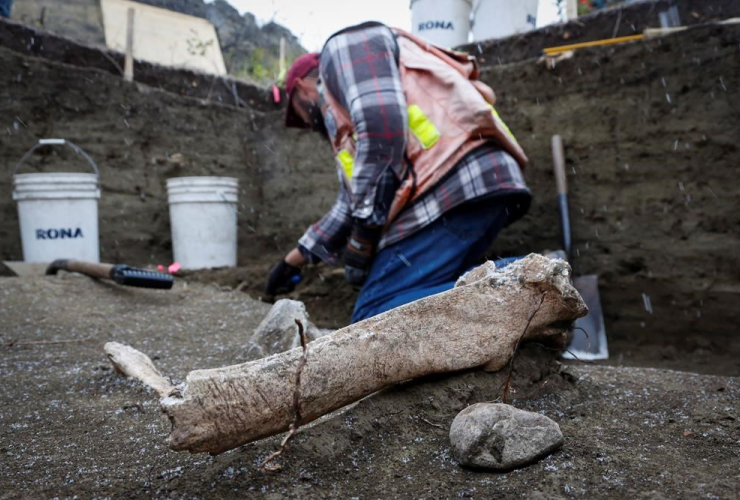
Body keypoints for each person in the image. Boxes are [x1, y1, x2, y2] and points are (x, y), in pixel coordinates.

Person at [265, 22, 531, 323]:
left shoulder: (343, 48)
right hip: (465, 185)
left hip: (450, 185)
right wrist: (292, 262)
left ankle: (533, 280)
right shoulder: (343, 127)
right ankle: (519, 301)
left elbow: (382, 132)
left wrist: (364, 237)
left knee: (374, 315)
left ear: (301, 88)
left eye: (299, 115)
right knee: (426, 293)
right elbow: (349, 206)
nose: (308, 125)